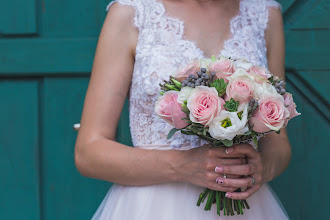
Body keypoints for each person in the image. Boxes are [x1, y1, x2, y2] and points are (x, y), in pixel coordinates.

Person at [74, 0, 291, 219]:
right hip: (153, 207)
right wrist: (183, 165)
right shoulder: (132, 13)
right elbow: (88, 152)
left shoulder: (264, 14)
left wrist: (261, 168)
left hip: (244, 205)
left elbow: (278, 143)